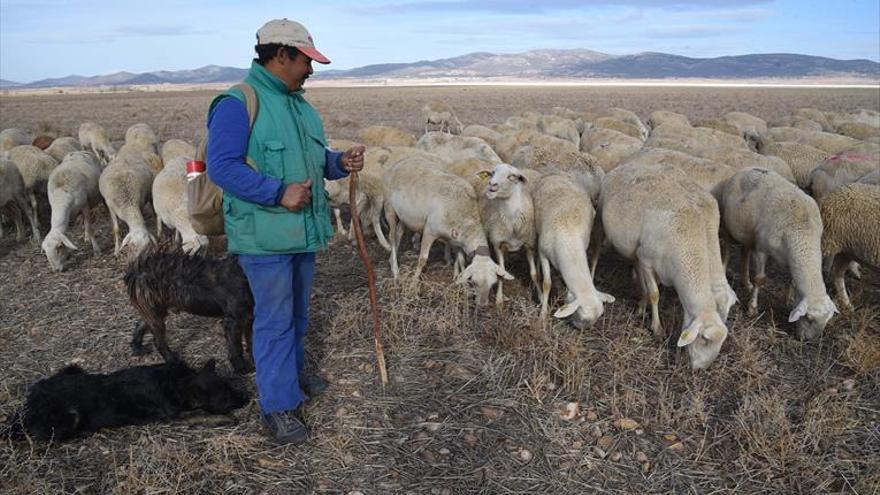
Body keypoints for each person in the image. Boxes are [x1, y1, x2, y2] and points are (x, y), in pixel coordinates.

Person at [205, 18, 364, 445]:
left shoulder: (300, 106)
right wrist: (278, 193)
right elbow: (222, 167)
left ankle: (291, 377)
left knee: (296, 315)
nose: (310, 70)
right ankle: (278, 407)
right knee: (274, 320)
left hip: (303, 232)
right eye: (305, 61)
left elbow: (315, 161)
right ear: (280, 55)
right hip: (265, 237)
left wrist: (339, 163)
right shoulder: (238, 102)